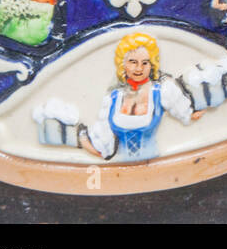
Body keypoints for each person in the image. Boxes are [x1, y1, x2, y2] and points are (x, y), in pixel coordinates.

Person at [79, 32, 201, 162]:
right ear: (123, 64)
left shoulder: (162, 92)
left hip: (157, 165)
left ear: (152, 65)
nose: (139, 68)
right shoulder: (112, 99)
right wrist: (81, 137)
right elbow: (102, 146)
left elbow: (189, 115)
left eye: (145, 63)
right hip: (119, 171)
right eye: (133, 62)